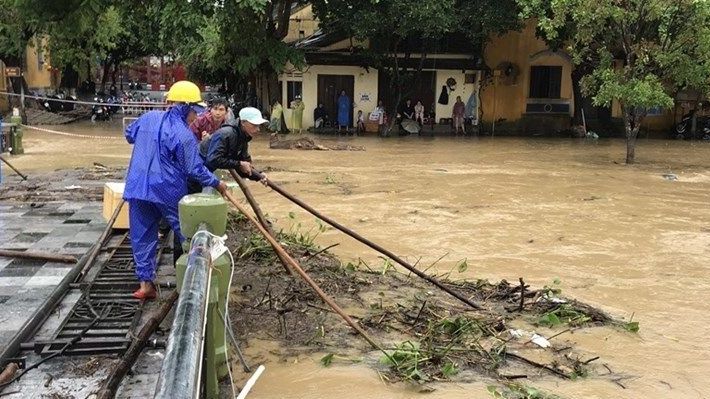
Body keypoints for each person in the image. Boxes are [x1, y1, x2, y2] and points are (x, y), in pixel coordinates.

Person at [123, 80, 228, 300]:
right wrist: (216, 183)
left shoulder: (148, 118)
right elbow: (194, 169)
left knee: (141, 235)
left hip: (138, 186)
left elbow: (129, 135)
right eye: (195, 112)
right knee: (187, 232)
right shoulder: (183, 134)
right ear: (186, 107)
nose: (196, 117)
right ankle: (194, 280)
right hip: (167, 190)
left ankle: (145, 285)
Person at [199, 107, 269, 185]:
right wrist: (239, 164)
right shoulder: (226, 134)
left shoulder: (243, 138)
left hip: (204, 172)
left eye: (258, 126)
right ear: (243, 123)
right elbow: (213, 159)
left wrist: (259, 175)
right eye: (254, 125)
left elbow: (244, 166)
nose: (258, 129)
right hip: (196, 169)